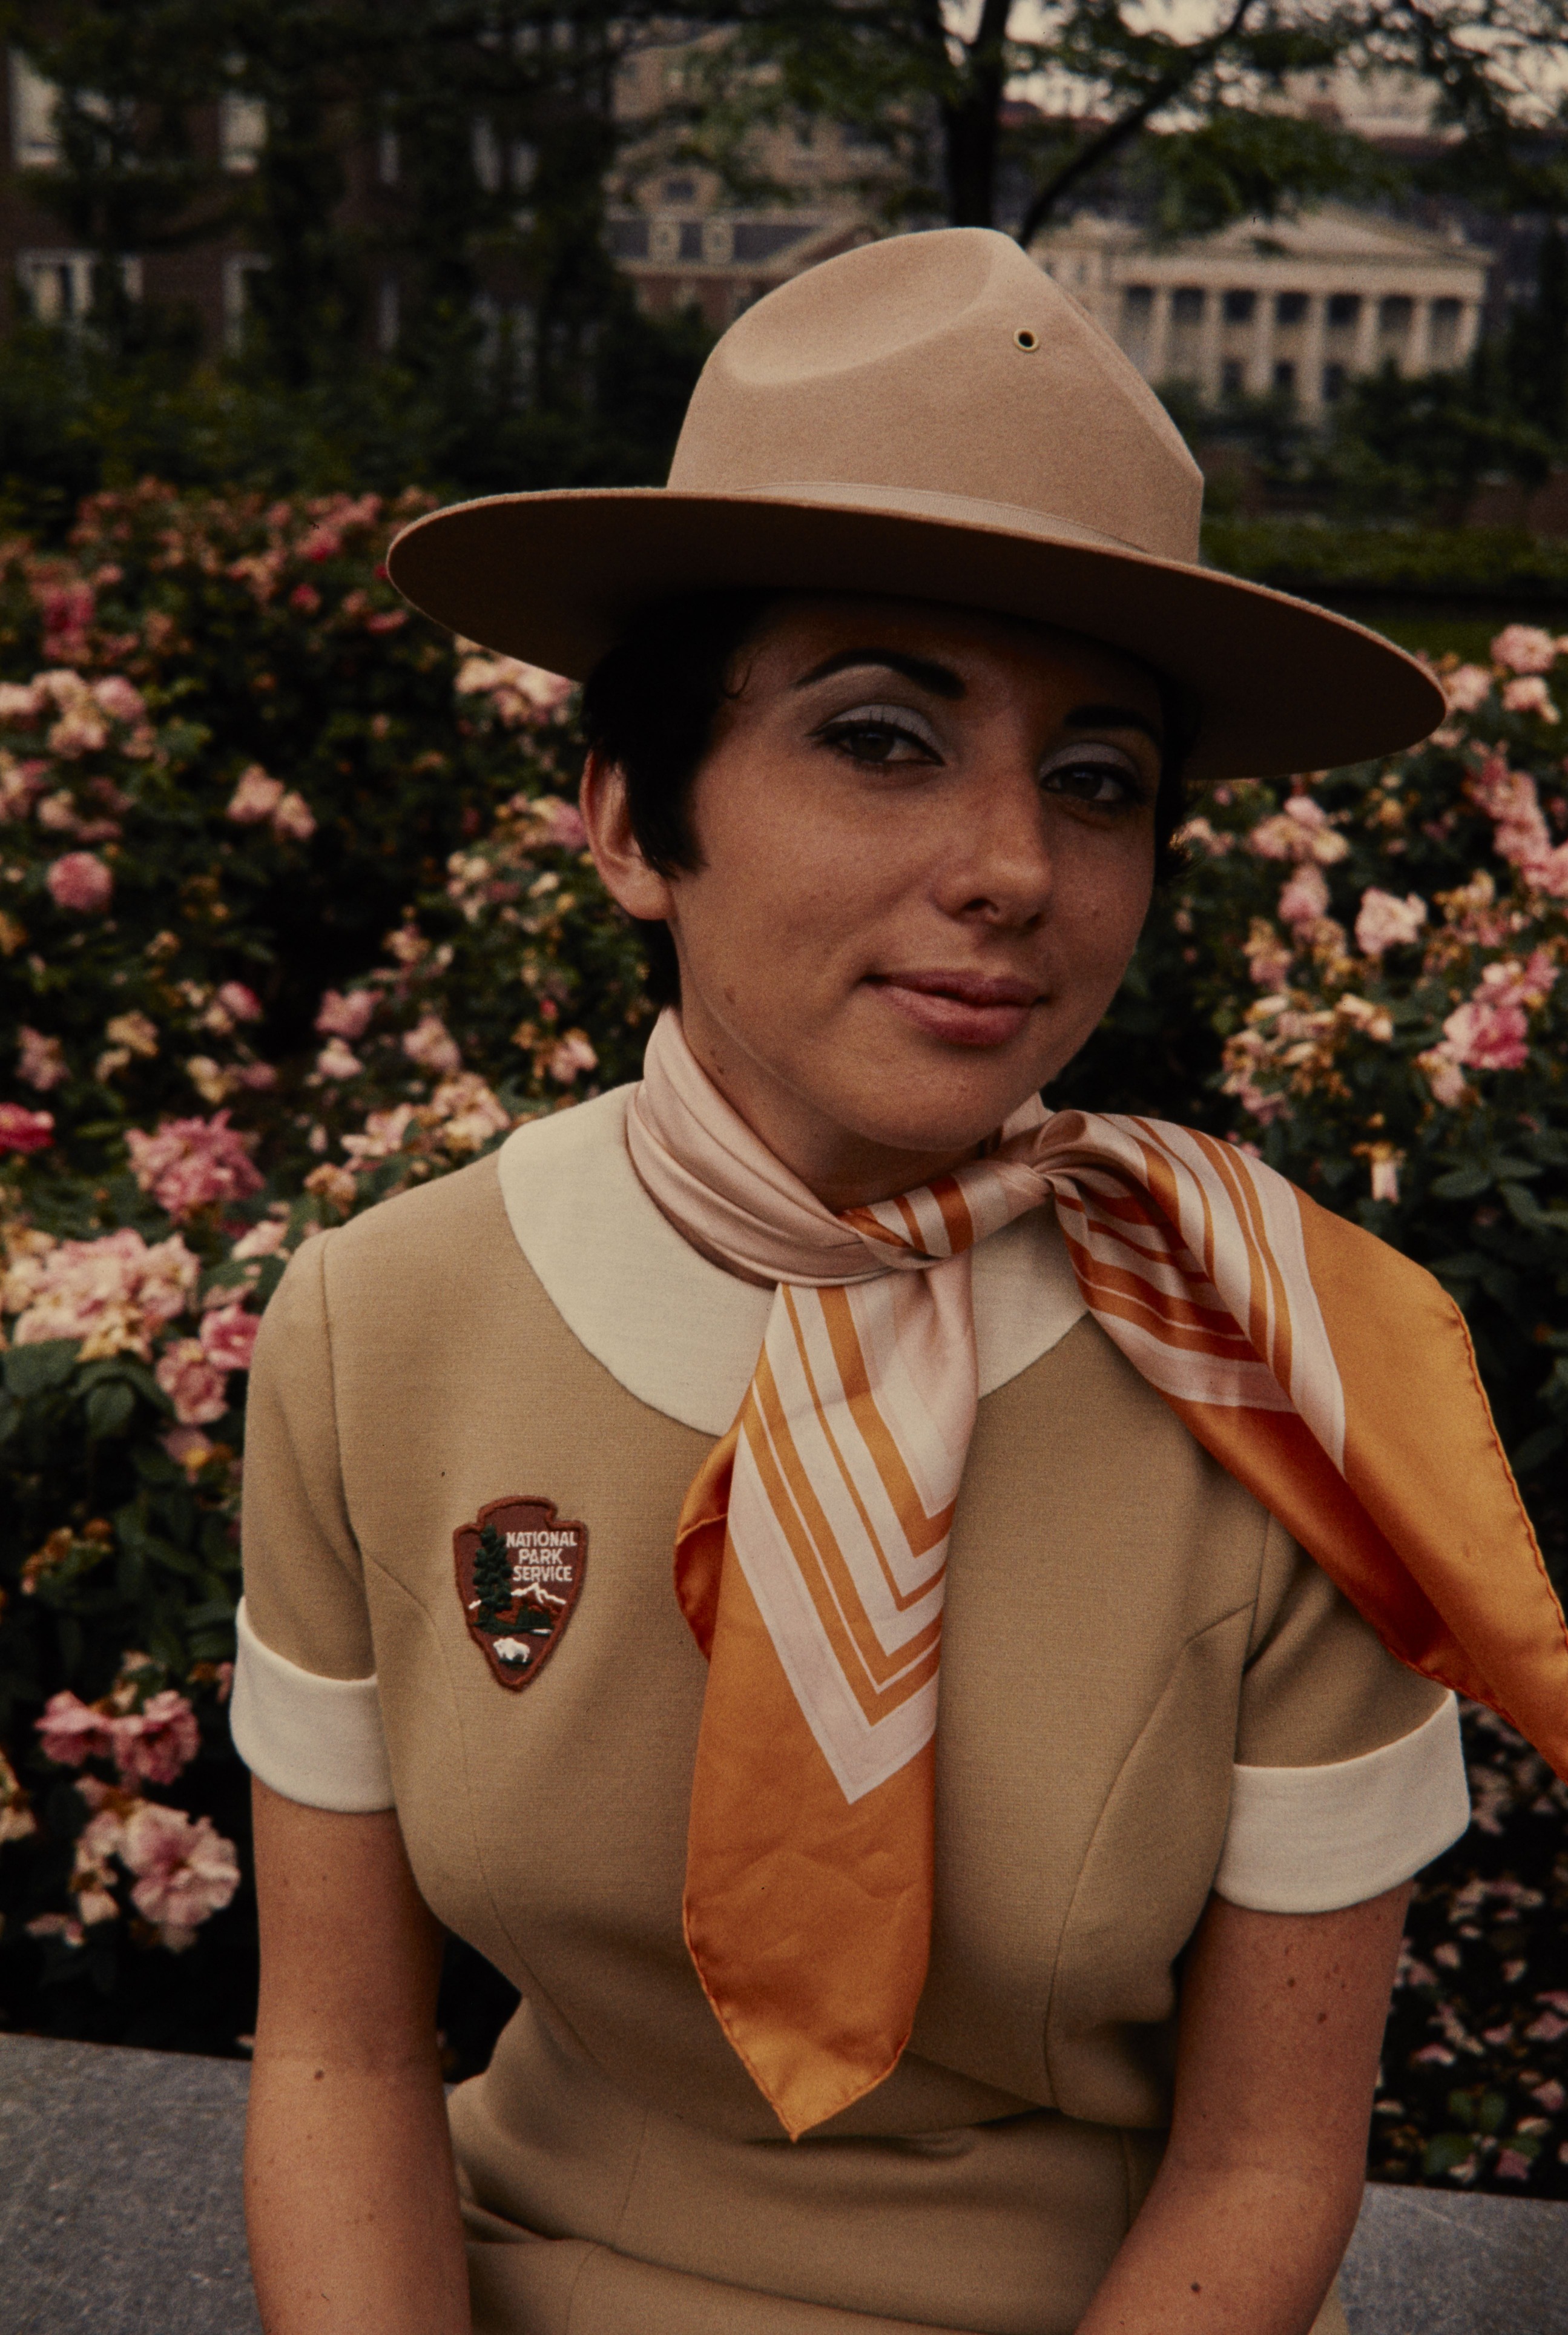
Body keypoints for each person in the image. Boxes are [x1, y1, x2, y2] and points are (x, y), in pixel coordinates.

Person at [232, 230, 1568, 2335]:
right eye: (880, 738)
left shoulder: (1302, 1376)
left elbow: (1268, 2158)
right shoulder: (377, 1328)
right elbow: (335, 2055)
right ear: (625, 815)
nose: (1017, 868)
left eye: (1100, 778)